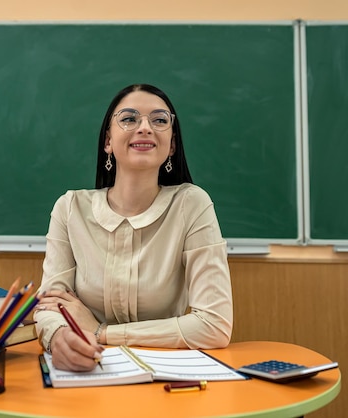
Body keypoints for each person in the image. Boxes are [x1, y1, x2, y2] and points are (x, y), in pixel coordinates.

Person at [34, 83, 233, 372]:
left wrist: (102, 332)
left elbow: (214, 325)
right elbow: (51, 305)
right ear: (108, 141)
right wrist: (60, 337)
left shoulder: (192, 204)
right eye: (129, 118)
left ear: (172, 144)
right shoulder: (70, 208)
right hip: (89, 371)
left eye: (159, 120)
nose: (145, 128)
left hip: (165, 375)